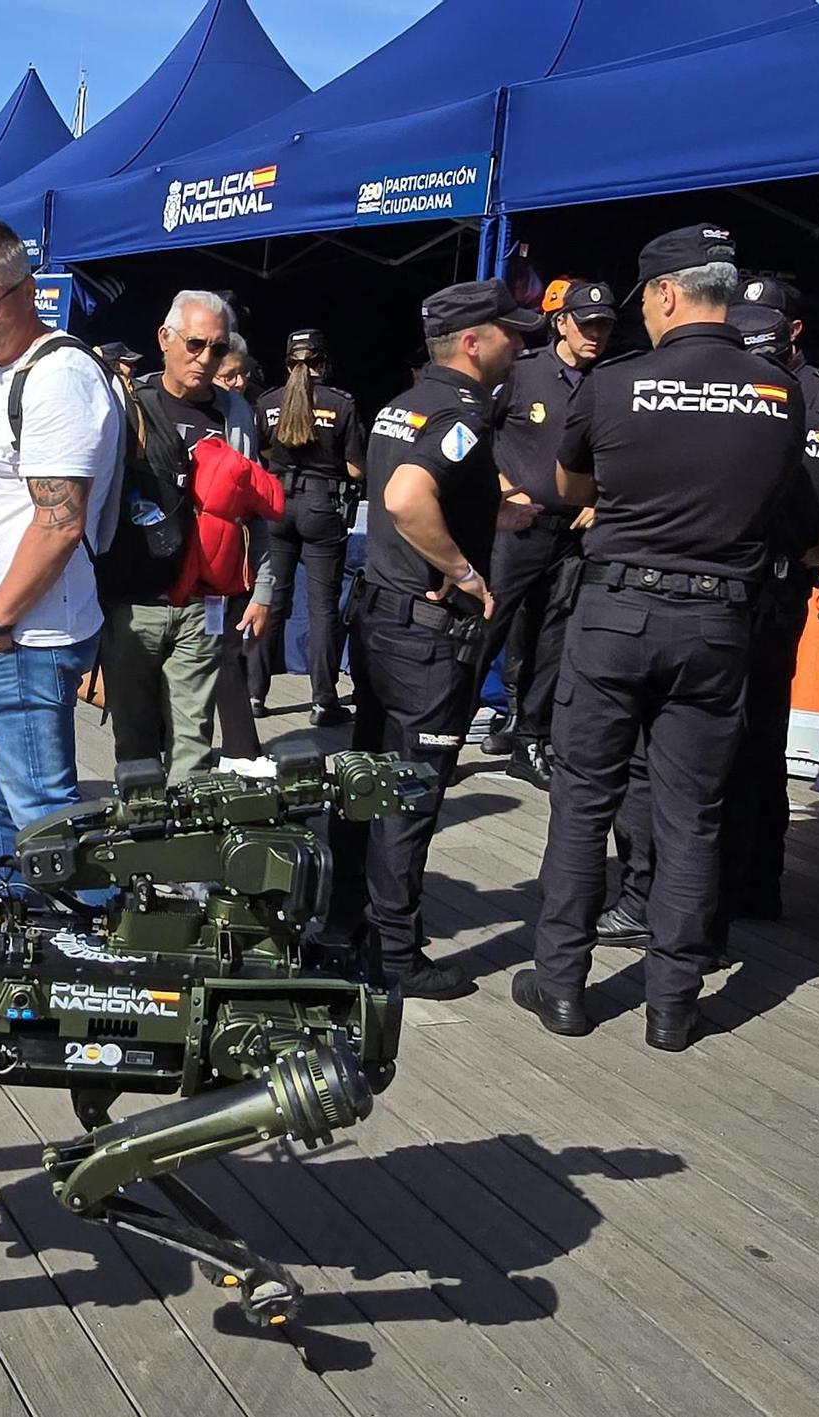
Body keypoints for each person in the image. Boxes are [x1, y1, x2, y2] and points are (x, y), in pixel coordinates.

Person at [514, 223, 803, 1053]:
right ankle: (672, 1002)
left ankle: (562, 985)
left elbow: (569, 484)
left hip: (617, 613)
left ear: (667, 294)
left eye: (644, 300)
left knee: (581, 805)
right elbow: (771, 492)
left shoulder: (613, 385)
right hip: (718, 622)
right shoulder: (780, 395)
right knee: (693, 817)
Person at [602, 304, 819, 954]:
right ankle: (749, 891)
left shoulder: (710, 416)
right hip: (767, 606)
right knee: (754, 752)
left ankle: (678, 905)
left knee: (687, 754)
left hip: (719, 604)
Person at [327, 280, 536, 999]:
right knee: (410, 792)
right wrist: (466, 570)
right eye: (511, 331)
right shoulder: (462, 413)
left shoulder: (401, 403)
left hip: (380, 618)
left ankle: (342, 920)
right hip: (425, 634)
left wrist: (489, 507)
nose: (522, 341)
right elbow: (405, 496)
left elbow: (416, 488)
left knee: (366, 780)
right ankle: (393, 953)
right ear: (473, 341)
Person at [0, 220, 120, 866]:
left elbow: (60, 521)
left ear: (29, 291)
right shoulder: (6, 370)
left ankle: (88, 947)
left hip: (25, 634)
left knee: (42, 814)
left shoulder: (56, 378)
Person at [98, 290, 273, 781]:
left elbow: (252, 508)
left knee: (193, 739)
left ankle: (187, 845)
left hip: (204, 603)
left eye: (218, 348)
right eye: (195, 344)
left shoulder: (236, 413)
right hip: (137, 601)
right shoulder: (128, 403)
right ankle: (140, 837)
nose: (206, 358)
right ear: (165, 339)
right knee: (134, 739)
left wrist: (263, 589)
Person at [481, 278, 618, 790]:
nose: (596, 335)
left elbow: (624, 450)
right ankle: (447, 732)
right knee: (491, 624)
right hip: (518, 526)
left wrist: (601, 500)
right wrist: (502, 490)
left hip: (574, 531)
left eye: (604, 327)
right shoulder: (523, 372)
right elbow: (476, 433)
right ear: (561, 323)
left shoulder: (611, 380)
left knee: (554, 636)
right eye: (587, 325)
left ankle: (530, 736)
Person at [248, 329, 366, 726]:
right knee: (322, 609)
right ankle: (323, 700)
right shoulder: (340, 403)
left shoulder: (267, 402)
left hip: (278, 502)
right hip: (322, 505)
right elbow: (355, 468)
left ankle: (254, 694)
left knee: (271, 601)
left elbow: (264, 451)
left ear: (287, 364)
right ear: (324, 363)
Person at [731, 276, 819, 426]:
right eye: (741, 322)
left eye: (761, 325)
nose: (748, 331)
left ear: (794, 330)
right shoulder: (715, 381)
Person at [215, 333, 262, 402]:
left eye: (244, 373)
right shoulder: (196, 410)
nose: (240, 383)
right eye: (230, 375)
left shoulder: (257, 402)